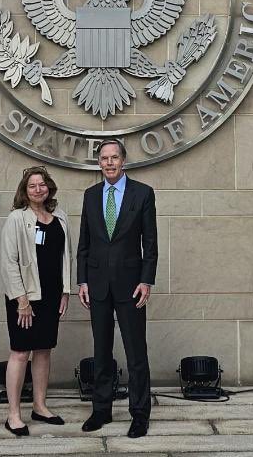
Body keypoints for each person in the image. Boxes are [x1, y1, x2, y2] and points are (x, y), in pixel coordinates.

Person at [77, 138, 158, 439]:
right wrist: (82, 280)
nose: (109, 163)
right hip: (97, 285)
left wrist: (146, 280)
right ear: (99, 163)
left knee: (136, 353)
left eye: (114, 157)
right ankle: (101, 410)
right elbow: (84, 243)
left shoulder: (143, 194)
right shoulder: (90, 195)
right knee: (101, 351)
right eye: (103, 158)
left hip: (131, 286)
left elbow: (150, 244)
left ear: (124, 160)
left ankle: (139, 414)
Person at [0, 165, 71, 436]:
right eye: (32, 186)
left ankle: (40, 406)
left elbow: (66, 258)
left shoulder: (60, 217)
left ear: (49, 187)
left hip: (51, 296)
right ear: (25, 191)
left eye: (42, 184)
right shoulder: (17, 219)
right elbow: (9, 263)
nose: (38, 189)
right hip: (25, 298)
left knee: (43, 350)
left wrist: (65, 291)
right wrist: (22, 301)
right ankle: (13, 415)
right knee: (20, 352)